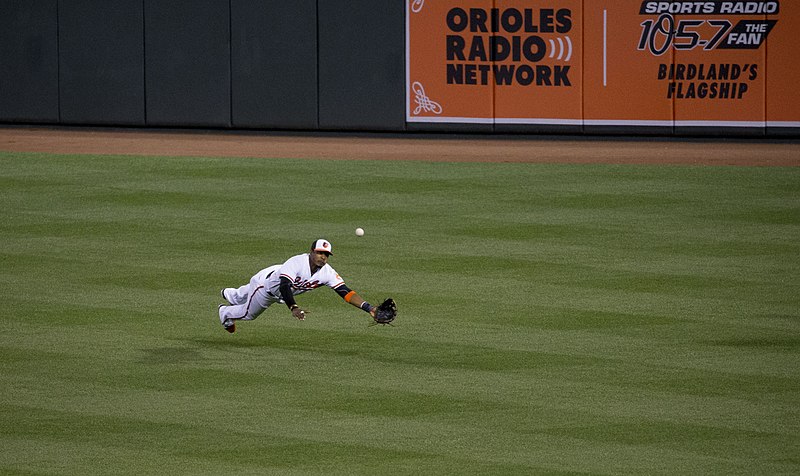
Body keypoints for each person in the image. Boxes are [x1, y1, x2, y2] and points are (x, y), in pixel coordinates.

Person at [217, 239, 377, 333]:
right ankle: (225, 313)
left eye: (326, 255)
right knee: (248, 313)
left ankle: (232, 294)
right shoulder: (297, 262)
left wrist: (369, 308)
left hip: (274, 271)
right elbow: (284, 285)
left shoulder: (327, 272)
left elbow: (345, 292)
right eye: (320, 253)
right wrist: (293, 307)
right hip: (266, 288)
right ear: (311, 251)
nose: (323, 257)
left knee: (245, 292)